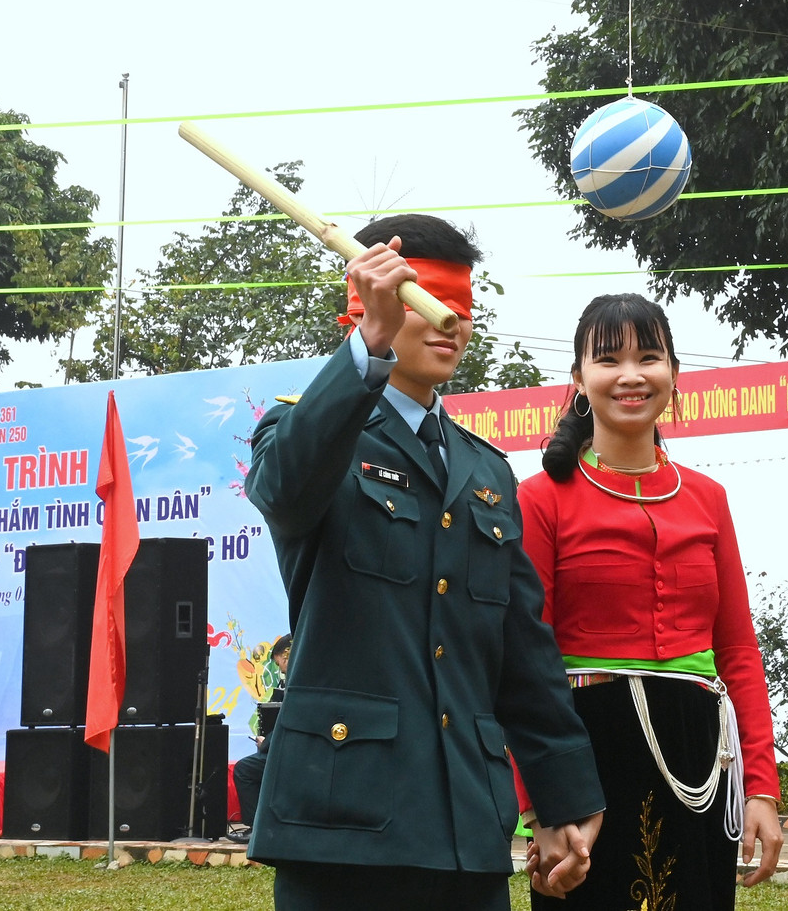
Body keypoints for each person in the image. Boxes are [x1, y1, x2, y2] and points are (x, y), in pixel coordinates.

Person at [243, 214, 605, 911]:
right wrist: (367, 347)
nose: (452, 324)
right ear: (369, 300)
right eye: (429, 303)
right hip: (341, 823)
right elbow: (285, 493)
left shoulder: (486, 470)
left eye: (464, 311)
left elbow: (521, 651)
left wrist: (563, 799)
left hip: (464, 823)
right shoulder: (308, 430)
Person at [516, 293, 784, 910]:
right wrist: (541, 804)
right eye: (608, 359)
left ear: (674, 374)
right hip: (584, 758)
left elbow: (739, 650)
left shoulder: (709, 498)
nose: (631, 375)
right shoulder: (541, 499)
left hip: (701, 759)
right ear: (579, 379)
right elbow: (523, 663)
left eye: (649, 357)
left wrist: (761, 789)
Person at [228, 634, 293, 845]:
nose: (281, 670)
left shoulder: (297, 680)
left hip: (293, 750)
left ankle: (257, 828)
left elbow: (287, 721)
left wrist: (265, 743)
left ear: (285, 655)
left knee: (245, 769)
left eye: (279, 663)